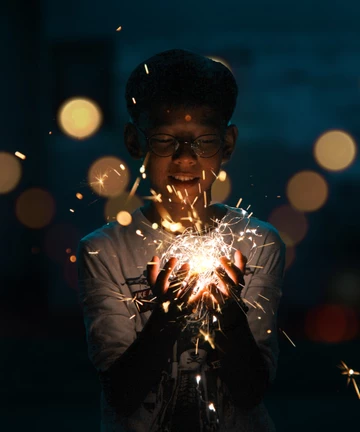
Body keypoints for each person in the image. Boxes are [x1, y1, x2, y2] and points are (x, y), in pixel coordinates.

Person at [77, 48, 285, 432]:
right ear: (134, 141)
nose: (185, 158)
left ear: (227, 145)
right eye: (164, 140)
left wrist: (229, 317)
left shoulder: (258, 244)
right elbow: (122, 394)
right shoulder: (103, 250)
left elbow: (252, 391)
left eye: (203, 141)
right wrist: (168, 314)